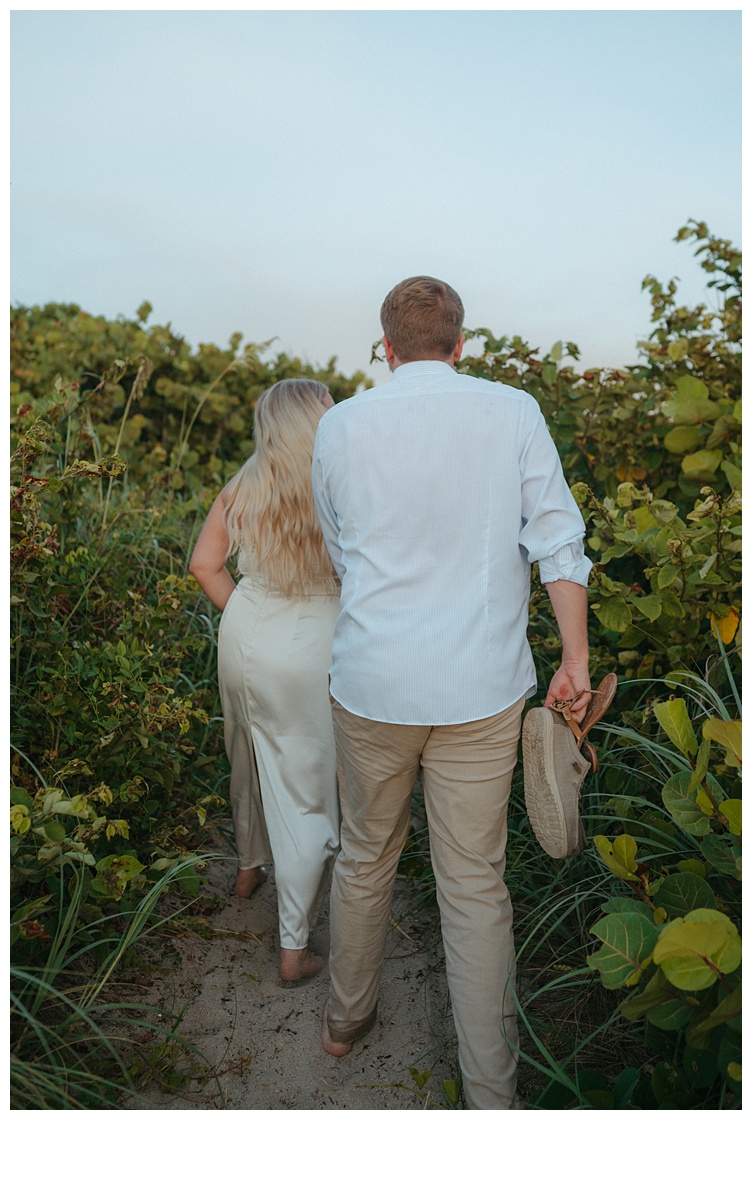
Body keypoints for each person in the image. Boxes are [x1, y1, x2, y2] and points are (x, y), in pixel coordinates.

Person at [311, 276, 592, 1108]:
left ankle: (343, 1020)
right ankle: (490, 1092)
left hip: (370, 683)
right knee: (474, 884)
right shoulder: (513, 413)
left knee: (365, 854)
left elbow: (341, 552)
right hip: (481, 689)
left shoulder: (340, 424)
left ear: (386, 348)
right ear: (461, 343)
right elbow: (560, 544)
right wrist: (574, 660)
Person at [190, 378, 341, 986]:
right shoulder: (337, 482)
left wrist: (248, 619)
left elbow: (206, 565)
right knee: (304, 787)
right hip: (312, 641)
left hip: (244, 633)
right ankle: (293, 948)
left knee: (246, 751)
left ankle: (249, 867)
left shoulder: (242, 483)